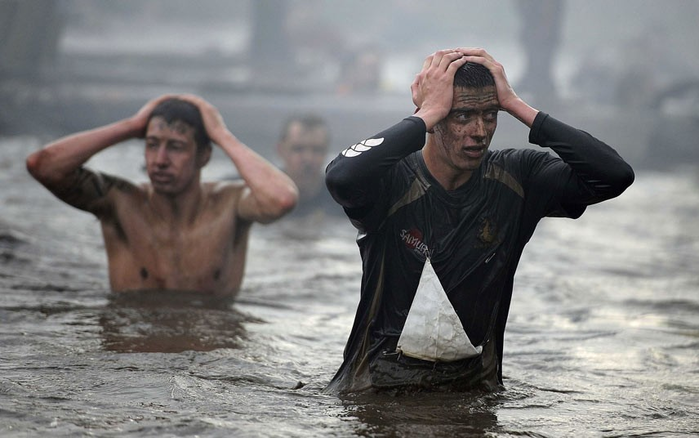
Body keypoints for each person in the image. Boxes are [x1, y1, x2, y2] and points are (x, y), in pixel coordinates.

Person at [324, 48, 634, 393]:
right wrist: (424, 115)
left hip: (473, 396)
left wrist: (518, 106)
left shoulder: (518, 178)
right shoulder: (391, 183)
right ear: (434, 117)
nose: (479, 130)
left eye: (490, 115)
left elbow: (614, 175)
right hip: (375, 393)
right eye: (463, 115)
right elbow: (341, 176)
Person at [26, 94, 298, 297]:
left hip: (208, 360)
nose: (160, 160)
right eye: (152, 145)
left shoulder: (230, 203)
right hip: (133, 362)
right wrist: (131, 126)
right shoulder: (120, 201)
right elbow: (42, 166)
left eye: (176, 147)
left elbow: (282, 198)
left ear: (204, 155)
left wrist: (221, 134)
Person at [276, 114, 343, 218]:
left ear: (326, 152)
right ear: (281, 150)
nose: (308, 158)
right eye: (298, 149)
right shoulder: (261, 194)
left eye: (317, 150)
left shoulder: (342, 199)